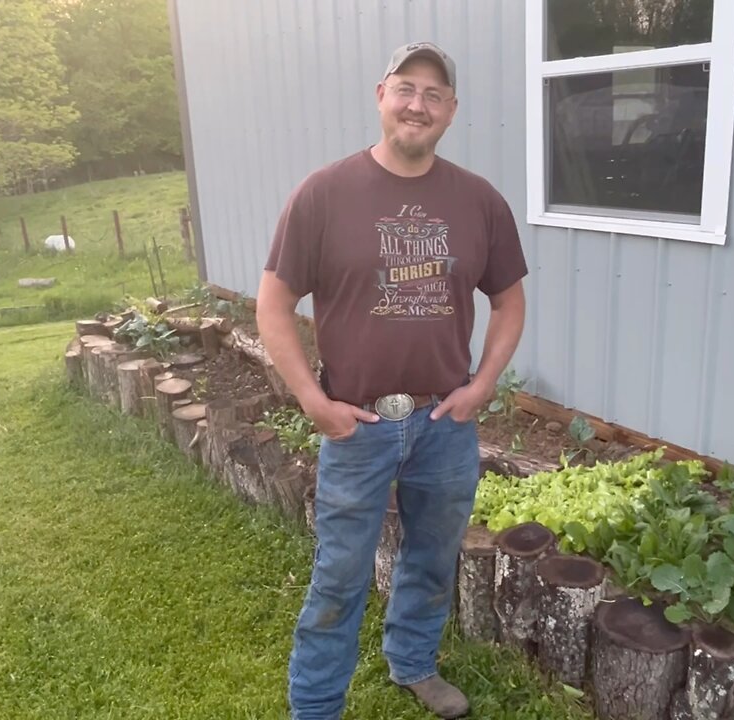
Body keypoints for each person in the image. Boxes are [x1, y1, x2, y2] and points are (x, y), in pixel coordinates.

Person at [256, 41, 528, 720]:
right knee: (340, 577)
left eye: (434, 95)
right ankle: (316, 706)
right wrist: (314, 403)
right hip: (359, 425)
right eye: (407, 88)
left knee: (433, 560)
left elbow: (511, 300)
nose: (418, 104)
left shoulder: (479, 202)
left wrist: (483, 383)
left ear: (452, 111)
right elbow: (273, 303)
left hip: (444, 424)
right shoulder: (323, 194)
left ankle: (413, 663)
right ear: (382, 95)